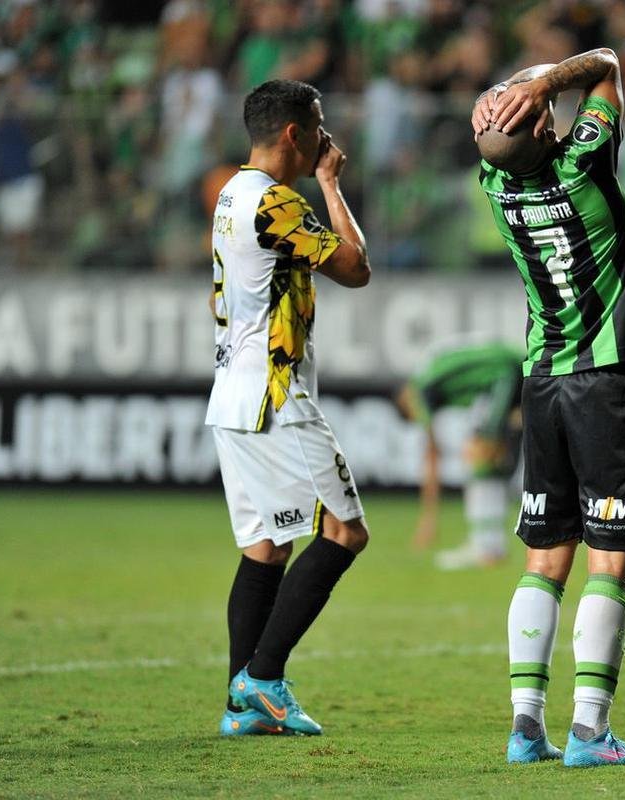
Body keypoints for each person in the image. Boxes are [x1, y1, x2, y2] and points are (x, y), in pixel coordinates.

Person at [471, 47, 625, 768]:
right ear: (548, 130)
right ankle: (590, 732)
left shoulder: (494, 183)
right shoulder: (583, 168)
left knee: (543, 558)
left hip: (543, 385)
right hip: (609, 382)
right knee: (610, 565)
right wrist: (539, 81)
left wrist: (499, 98)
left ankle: (525, 728)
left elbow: (497, 140)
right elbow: (607, 66)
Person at [205, 79, 372, 737]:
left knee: (266, 547)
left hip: (232, 392)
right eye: (321, 126)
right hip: (275, 395)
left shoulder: (230, 194)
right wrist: (331, 186)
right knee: (344, 531)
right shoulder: (274, 204)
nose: (328, 139)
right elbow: (356, 268)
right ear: (297, 135)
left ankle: (239, 704)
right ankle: (263, 677)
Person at [396, 340, 525, 570]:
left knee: (480, 455)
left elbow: (432, 456)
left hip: (501, 374)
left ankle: (486, 547)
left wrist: (428, 519)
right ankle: (490, 543)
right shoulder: (432, 372)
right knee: (490, 461)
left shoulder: (418, 391)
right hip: (506, 373)